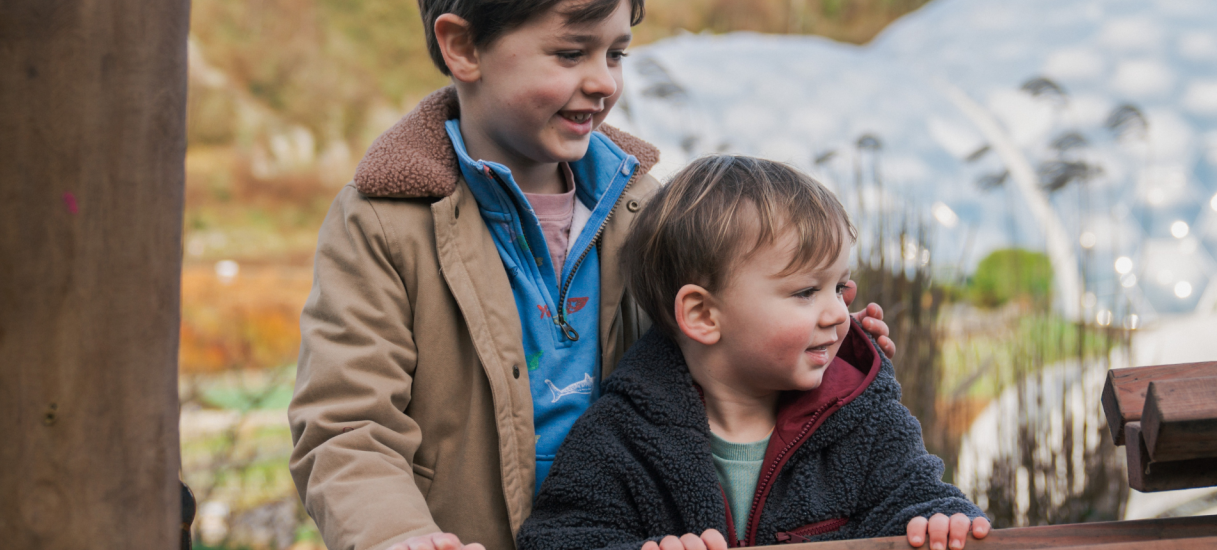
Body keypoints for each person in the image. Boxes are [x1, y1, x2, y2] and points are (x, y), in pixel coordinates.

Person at [286, 1, 898, 548]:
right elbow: (348, 423)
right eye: (571, 52)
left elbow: (726, 362)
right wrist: (398, 535)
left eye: (617, 53)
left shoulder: (644, 207)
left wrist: (825, 354)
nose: (604, 81)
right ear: (464, 47)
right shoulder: (387, 222)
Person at [514, 156, 991, 550]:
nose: (837, 314)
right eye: (806, 292)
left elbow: (916, 495)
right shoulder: (619, 437)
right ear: (702, 315)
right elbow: (558, 539)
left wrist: (938, 520)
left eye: (840, 286)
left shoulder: (864, 418)